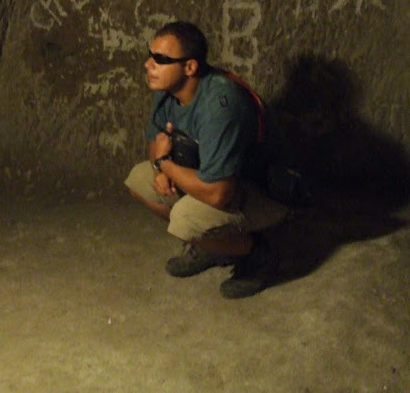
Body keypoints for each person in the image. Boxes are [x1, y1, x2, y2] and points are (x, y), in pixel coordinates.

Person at [124, 21, 290, 299]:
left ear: (190, 67)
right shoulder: (168, 90)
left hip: (258, 190)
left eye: (161, 59)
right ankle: (215, 247)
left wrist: (165, 164)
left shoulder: (219, 106)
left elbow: (218, 195)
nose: (147, 64)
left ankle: (256, 252)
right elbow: (156, 142)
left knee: (184, 220)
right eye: (150, 55)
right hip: (210, 177)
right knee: (139, 180)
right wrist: (158, 167)